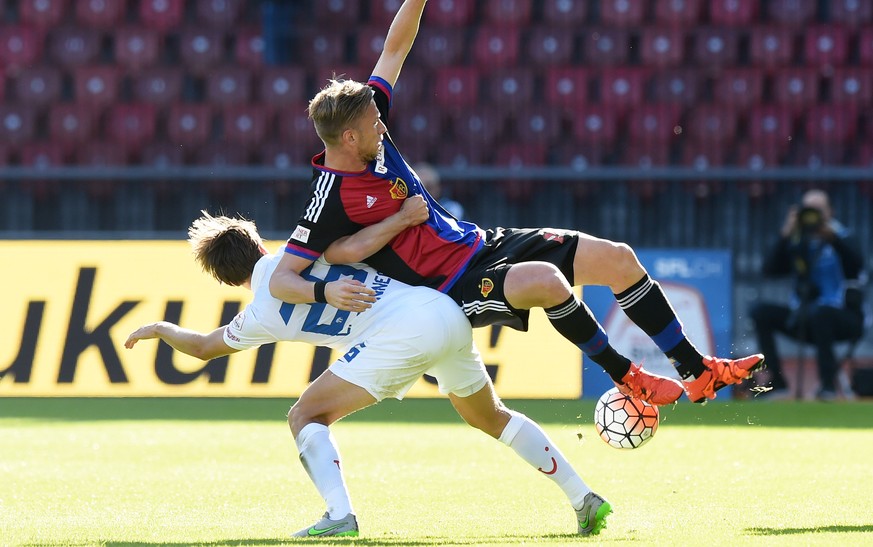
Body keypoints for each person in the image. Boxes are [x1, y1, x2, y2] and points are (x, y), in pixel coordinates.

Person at [267, 0, 765, 406]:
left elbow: (393, 49)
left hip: (482, 243)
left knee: (619, 258)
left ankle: (696, 371)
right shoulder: (329, 196)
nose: (384, 124)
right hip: (450, 287)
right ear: (349, 136)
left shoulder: (368, 131)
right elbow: (287, 277)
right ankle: (627, 376)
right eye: (375, 123)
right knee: (547, 283)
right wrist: (326, 292)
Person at [124, 212, 612, 538]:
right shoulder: (307, 250)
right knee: (492, 418)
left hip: (400, 335)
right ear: (257, 242)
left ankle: (340, 517)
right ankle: (583, 497)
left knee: (304, 416)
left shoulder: (259, 314)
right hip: (442, 310)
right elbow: (362, 237)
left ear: (224, 278)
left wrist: (162, 328)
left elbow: (206, 348)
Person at [751, 189, 865, 401]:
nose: (813, 216)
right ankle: (777, 383)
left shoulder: (844, 236)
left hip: (842, 317)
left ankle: (828, 387)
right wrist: (786, 235)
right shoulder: (797, 241)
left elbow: (857, 264)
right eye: (808, 210)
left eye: (818, 210)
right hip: (803, 315)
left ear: (830, 212)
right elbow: (769, 270)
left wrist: (832, 239)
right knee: (760, 312)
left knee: (822, 314)